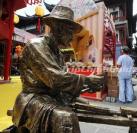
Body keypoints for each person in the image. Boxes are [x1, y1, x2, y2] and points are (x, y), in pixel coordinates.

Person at [12, 1, 103, 132]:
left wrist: (83, 88)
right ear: (59, 28)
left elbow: (62, 84)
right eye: (70, 32)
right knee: (66, 118)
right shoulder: (36, 45)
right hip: (32, 98)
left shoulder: (58, 54)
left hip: (52, 96)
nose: (72, 38)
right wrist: (87, 80)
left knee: (87, 106)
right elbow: (55, 78)